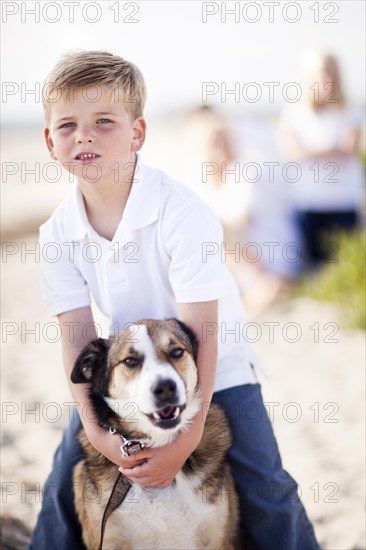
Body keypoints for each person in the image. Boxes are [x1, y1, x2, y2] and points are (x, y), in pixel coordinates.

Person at [30, 50, 320, 550]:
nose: (85, 135)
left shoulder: (181, 211)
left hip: (213, 366)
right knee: (62, 482)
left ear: (138, 133)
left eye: (104, 121)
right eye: (68, 125)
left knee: (266, 487)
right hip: (129, 370)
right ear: (49, 141)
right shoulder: (56, 234)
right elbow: (76, 338)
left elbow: (202, 331)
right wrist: (99, 433)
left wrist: (186, 438)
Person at [278, 52, 364, 268]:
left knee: (344, 265)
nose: (327, 79)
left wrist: (309, 151)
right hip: (307, 205)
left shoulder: (351, 112)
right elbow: (291, 151)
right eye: (321, 74)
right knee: (310, 268)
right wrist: (331, 150)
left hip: (344, 203)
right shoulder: (293, 113)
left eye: (331, 73)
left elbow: (347, 151)